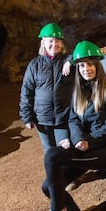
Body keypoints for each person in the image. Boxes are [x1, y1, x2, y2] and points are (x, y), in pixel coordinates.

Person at [28, 40, 106, 211]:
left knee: (52, 155)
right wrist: (75, 139)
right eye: (81, 65)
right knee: (48, 186)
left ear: (97, 65)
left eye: (90, 64)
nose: (85, 69)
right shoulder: (79, 92)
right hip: (85, 146)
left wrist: (88, 142)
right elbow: (73, 119)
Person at [20, 23, 74, 152]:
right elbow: (27, 91)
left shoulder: (67, 62)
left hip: (63, 117)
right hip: (42, 118)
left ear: (62, 44)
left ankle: (66, 173)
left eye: (57, 41)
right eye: (50, 41)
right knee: (49, 151)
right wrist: (27, 117)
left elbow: (81, 52)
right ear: (43, 43)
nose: (54, 44)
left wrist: (71, 60)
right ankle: (52, 173)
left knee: (64, 150)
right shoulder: (34, 65)